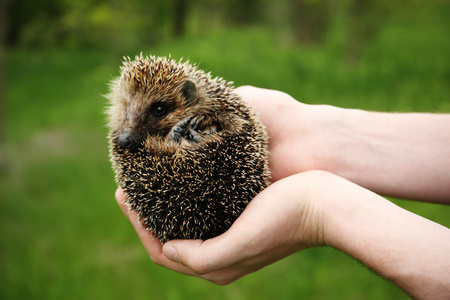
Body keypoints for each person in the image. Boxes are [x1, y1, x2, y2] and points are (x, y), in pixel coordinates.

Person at [115, 86, 450, 299]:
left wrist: (317, 210)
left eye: (158, 110)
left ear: (188, 97)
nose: (131, 131)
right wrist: (306, 128)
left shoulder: (210, 112)